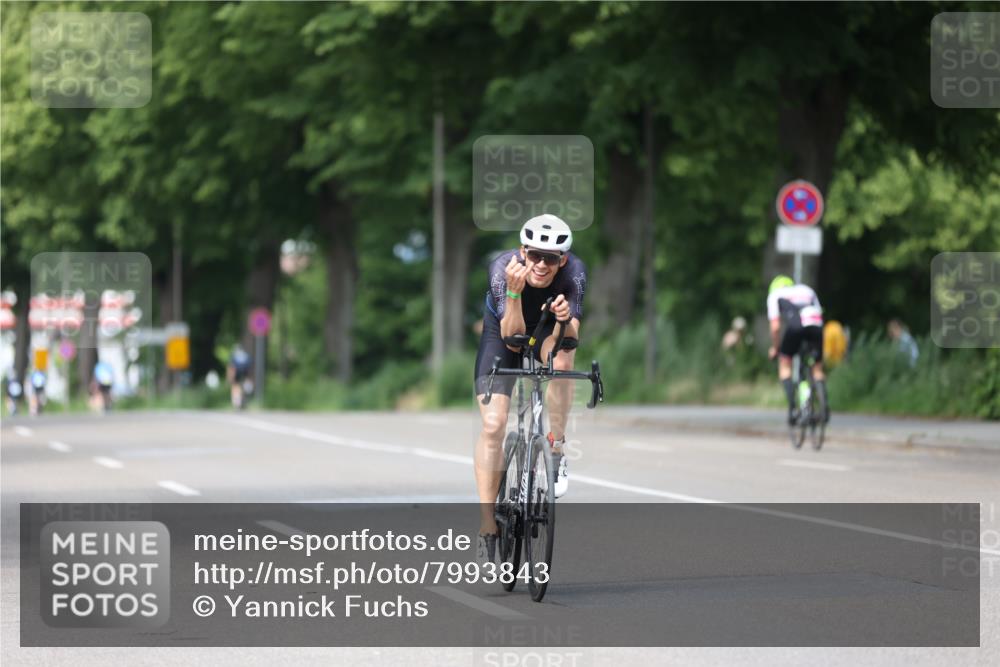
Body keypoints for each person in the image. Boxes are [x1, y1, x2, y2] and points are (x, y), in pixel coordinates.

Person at [473, 214, 586, 564]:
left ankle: (556, 447)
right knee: (494, 425)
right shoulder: (503, 268)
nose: (540, 264)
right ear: (523, 251)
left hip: (547, 328)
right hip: (503, 332)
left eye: (550, 258)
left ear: (562, 260)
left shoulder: (574, 274)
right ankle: (488, 523)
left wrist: (565, 320)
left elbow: (572, 338)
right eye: (534, 255)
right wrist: (514, 292)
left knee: (564, 361)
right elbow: (511, 336)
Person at [766, 275, 829, 425]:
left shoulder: (775, 295)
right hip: (816, 326)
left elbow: (775, 328)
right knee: (817, 368)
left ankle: (793, 408)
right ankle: (824, 408)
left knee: (785, 364)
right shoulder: (807, 290)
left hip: (796, 327)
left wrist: (775, 349)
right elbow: (819, 313)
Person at [227, 344, 252, 409]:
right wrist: (248, 378)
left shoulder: (234, 355)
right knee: (244, 386)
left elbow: (232, 367)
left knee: (235, 385)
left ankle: (237, 402)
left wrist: (230, 377)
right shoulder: (246, 355)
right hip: (245, 371)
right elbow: (249, 368)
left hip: (236, 371)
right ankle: (243, 400)